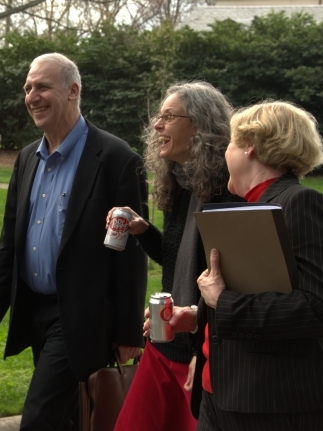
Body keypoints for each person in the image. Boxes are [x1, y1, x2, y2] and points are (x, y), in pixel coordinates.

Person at [0, 53, 148, 431]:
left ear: (73, 91)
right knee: (67, 417)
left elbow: (130, 254)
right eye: (28, 88)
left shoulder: (116, 159)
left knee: (39, 418)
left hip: (82, 316)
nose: (32, 96)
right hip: (33, 310)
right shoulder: (26, 160)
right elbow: (10, 240)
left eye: (42, 87)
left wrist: (129, 332)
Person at [172, 100, 323, 430]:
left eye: (230, 143)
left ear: (250, 148)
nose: (224, 153)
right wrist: (200, 316)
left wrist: (222, 302)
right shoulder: (250, 207)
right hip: (224, 397)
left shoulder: (301, 203)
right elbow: (258, 286)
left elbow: (322, 309)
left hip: (280, 404)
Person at [111, 81, 241, 431]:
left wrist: (204, 351)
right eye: (159, 116)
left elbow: (228, 280)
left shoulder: (227, 191)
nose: (157, 125)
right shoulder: (180, 182)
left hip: (198, 350)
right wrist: (142, 231)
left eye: (169, 117)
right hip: (164, 342)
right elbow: (176, 261)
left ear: (199, 125)